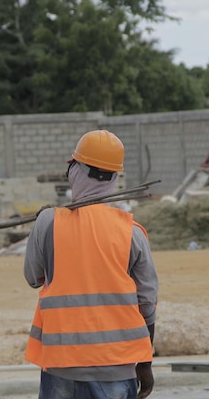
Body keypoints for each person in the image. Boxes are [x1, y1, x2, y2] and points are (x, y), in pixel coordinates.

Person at [23, 129, 159, 399]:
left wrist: (41, 227)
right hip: (118, 369)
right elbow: (147, 306)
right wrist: (144, 363)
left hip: (61, 367)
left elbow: (32, 277)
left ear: (77, 171)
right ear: (113, 178)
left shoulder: (48, 222)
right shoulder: (132, 233)